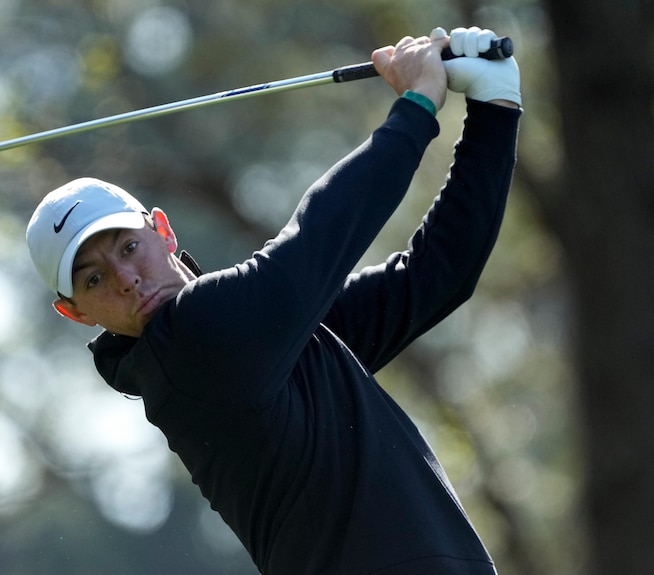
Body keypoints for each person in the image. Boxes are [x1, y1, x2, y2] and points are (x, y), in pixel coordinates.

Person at [26, 25, 521, 575]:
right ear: (75, 313)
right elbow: (321, 233)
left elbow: (437, 275)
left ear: (162, 231)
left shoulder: (261, 343)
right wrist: (417, 104)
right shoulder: (193, 342)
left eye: (128, 246)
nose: (125, 278)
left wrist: (496, 108)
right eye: (93, 280)